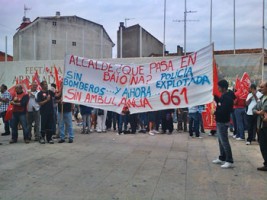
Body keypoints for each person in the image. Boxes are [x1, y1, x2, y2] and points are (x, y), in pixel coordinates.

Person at [212, 79, 235, 168]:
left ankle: (229, 160)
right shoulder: (224, 96)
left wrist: (215, 112)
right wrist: (217, 99)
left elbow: (224, 110)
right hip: (220, 121)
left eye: (219, 87)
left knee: (224, 141)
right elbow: (220, 104)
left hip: (223, 121)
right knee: (220, 141)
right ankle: (222, 157)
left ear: (223, 88)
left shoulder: (227, 97)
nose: (218, 88)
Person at [252, 81, 267, 171]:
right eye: (260, 87)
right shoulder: (262, 97)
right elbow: (254, 109)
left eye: (262, 87)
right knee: (262, 145)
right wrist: (259, 112)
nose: (260, 89)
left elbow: (264, 109)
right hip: (261, 125)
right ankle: (266, 163)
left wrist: (262, 111)